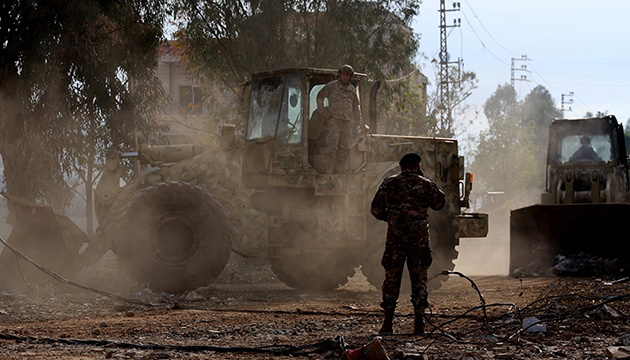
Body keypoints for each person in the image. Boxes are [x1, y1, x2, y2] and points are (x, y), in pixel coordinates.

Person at [370, 153, 446, 334]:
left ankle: (387, 324)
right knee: (419, 279)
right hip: (418, 242)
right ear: (418, 166)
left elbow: (375, 209)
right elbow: (439, 204)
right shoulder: (426, 184)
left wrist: (391, 218)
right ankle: (419, 324)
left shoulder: (389, 183)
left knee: (391, 280)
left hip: (395, 240)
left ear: (401, 166)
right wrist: (425, 179)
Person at [316, 64, 364, 173]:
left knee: (346, 147)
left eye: (347, 75)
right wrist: (322, 111)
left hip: (346, 123)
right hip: (334, 121)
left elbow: (355, 107)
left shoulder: (351, 90)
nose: (345, 77)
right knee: (332, 147)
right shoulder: (331, 86)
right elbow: (320, 96)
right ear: (340, 75)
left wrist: (358, 121)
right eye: (343, 74)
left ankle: (340, 169)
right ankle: (329, 170)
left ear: (350, 76)